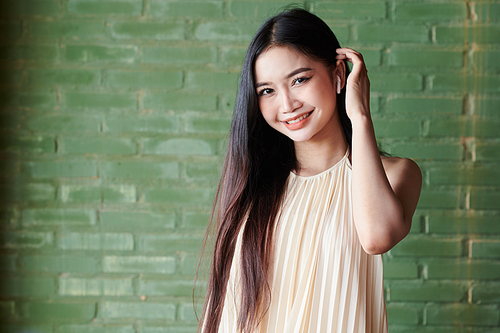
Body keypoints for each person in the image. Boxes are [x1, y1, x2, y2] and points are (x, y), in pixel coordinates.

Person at [198, 8, 422, 333]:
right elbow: (226, 309)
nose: (287, 104)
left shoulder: (396, 174)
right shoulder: (255, 185)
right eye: (267, 91)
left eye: (300, 80)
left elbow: (376, 238)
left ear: (338, 75)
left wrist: (360, 116)